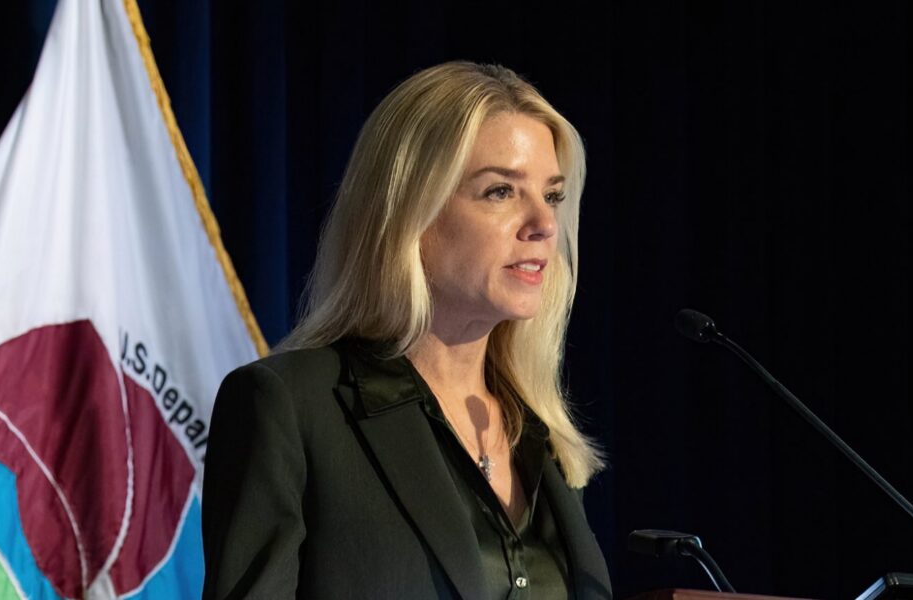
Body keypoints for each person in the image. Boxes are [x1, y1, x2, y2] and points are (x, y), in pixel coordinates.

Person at [201, 61, 611, 599]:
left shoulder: (539, 438)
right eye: (501, 192)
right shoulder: (290, 407)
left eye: (552, 195)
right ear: (411, 214)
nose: (544, 224)